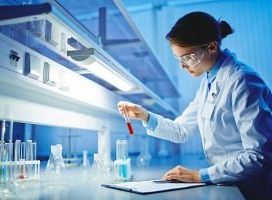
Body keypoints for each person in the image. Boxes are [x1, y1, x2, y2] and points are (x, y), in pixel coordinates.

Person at [117, 11, 272, 199]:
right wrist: (145, 116)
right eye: (179, 59)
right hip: (228, 185)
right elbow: (181, 130)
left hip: (251, 189)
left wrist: (200, 175)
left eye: (188, 58)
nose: (183, 66)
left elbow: (259, 157)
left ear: (212, 47)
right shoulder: (208, 81)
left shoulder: (243, 81)